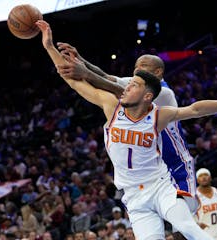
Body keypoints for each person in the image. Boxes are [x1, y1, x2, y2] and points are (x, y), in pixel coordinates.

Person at [36, 19, 217, 240]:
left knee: (187, 227)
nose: (131, 80)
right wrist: (50, 47)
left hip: (169, 174)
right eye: (132, 77)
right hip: (134, 193)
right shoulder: (115, 105)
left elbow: (195, 108)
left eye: (137, 79)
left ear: (150, 89)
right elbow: (80, 80)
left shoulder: (162, 100)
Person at [56, 43, 198, 212]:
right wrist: (80, 59)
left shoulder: (164, 93)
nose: (137, 70)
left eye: (143, 66)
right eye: (136, 66)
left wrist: (85, 73)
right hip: (153, 170)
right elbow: (105, 77)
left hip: (177, 164)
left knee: (181, 223)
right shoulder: (135, 85)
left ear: (158, 72)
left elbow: (117, 91)